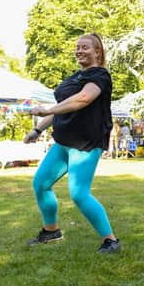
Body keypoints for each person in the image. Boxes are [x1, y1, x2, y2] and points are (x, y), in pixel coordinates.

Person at [23, 33, 120, 253]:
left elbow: (83, 99)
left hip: (85, 144)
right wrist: (38, 129)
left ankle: (111, 240)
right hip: (63, 142)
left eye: (85, 47)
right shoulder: (73, 78)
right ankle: (51, 231)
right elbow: (62, 107)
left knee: (78, 193)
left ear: (97, 52)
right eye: (77, 47)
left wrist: (47, 109)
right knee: (41, 184)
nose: (79, 50)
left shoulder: (100, 76)